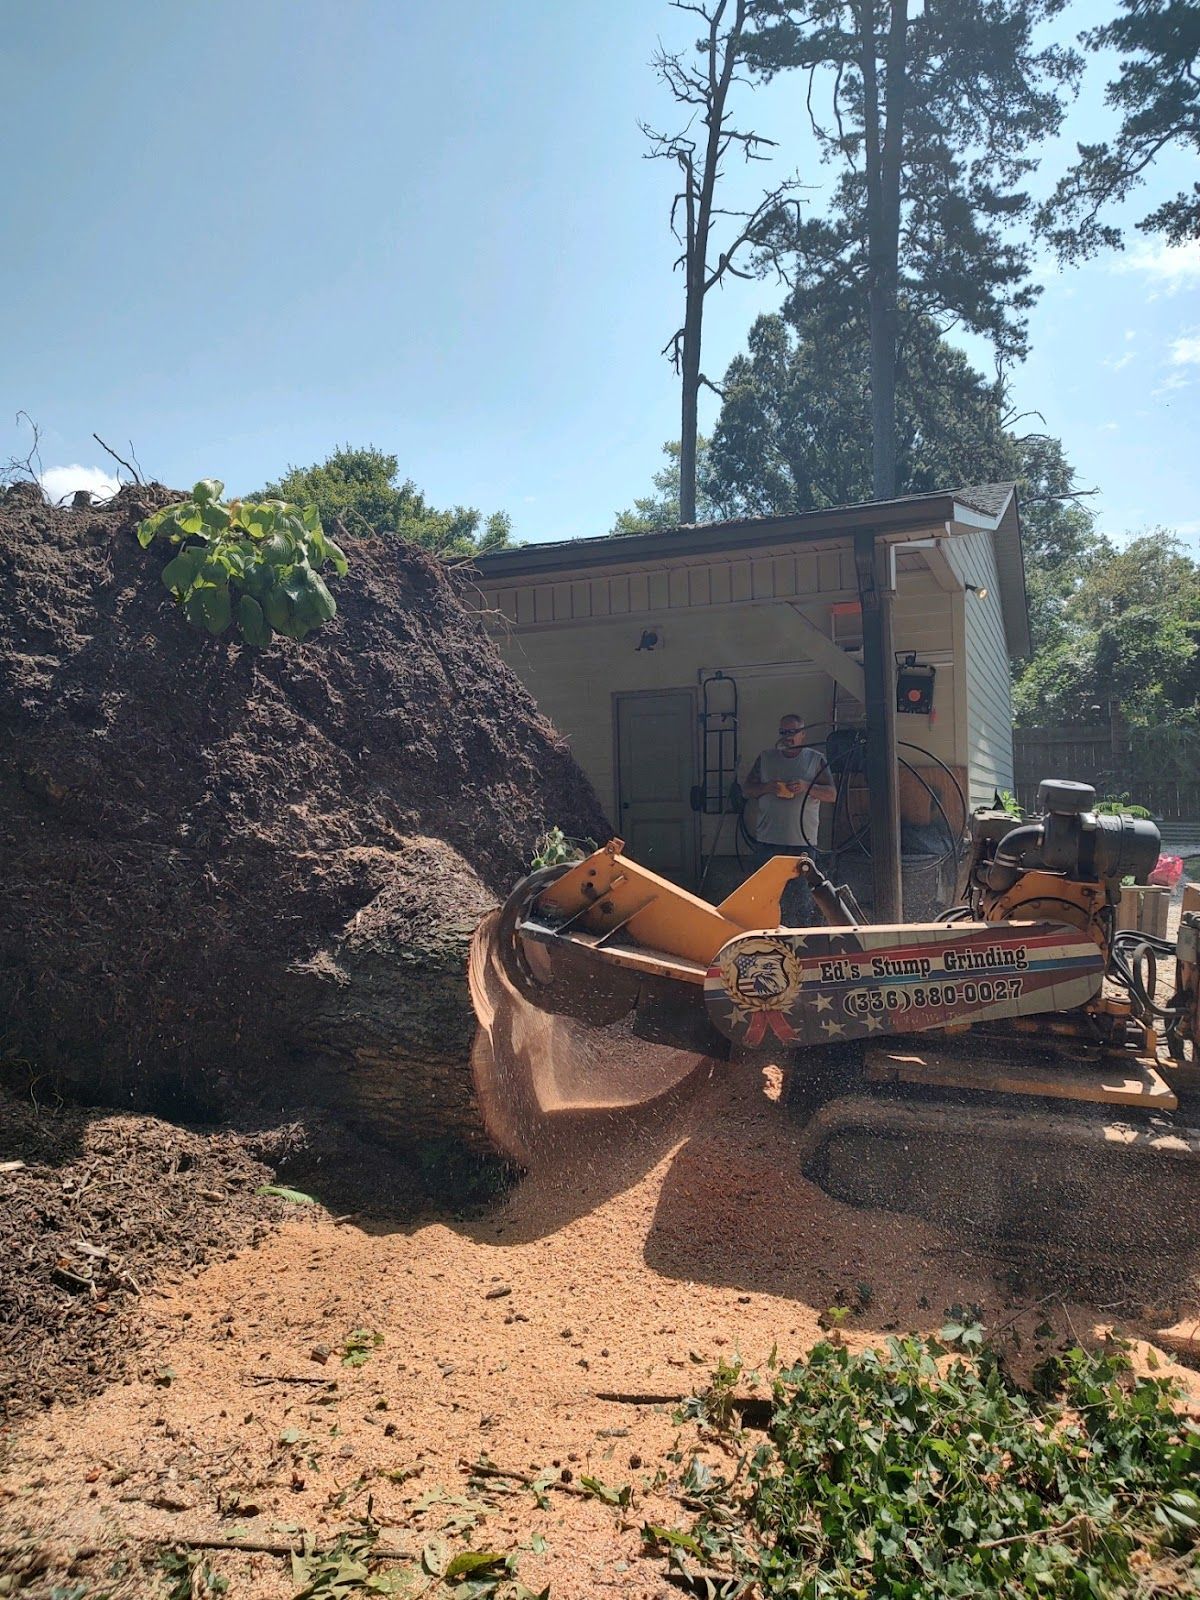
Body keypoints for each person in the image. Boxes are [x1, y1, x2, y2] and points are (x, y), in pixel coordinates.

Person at [742, 714, 837, 925]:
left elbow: (831, 794)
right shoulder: (766, 758)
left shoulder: (815, 759)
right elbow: (747, 790)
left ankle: (801, 941)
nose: (788, 737)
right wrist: (768, 787)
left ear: (803, 734)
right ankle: (766, 936)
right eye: (784, 732)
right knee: (765, 896)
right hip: (768, 842)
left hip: (802, 843)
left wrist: (806, 786)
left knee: (802, 900)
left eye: (793, 732)